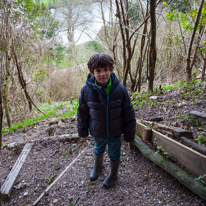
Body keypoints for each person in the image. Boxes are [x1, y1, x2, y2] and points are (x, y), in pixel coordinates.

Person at [77, 53, 136, 188]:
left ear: (111, 70)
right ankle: (97, 166)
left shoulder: (120, 90)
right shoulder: (86, 91)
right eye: (98, 71)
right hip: (98, 130)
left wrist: (129, 134)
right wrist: (83, 131)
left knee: (114, 152)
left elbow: (129, 113)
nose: (103, 74)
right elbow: (82, 113)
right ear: (92, 73)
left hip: (116, 130)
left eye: (106, 70)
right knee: (98, 148)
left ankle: (113, 174)